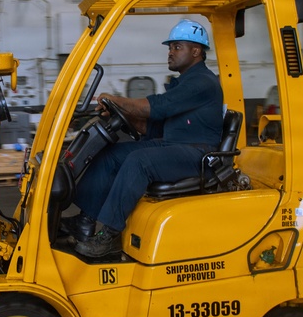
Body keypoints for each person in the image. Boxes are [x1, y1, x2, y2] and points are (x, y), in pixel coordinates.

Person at [63, 19, 224, 258]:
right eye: (170, 47)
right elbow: (153, 124)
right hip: (174, 146)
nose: (170, 52)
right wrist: (121, 114)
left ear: (196, 51)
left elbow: (157, 107)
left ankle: (109, 235)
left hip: (198, 154)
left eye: (177, 47)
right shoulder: (185, 82)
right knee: (111, 154)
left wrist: (117, 100)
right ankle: (85, 221)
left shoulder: (202, 82)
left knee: (140, 161)